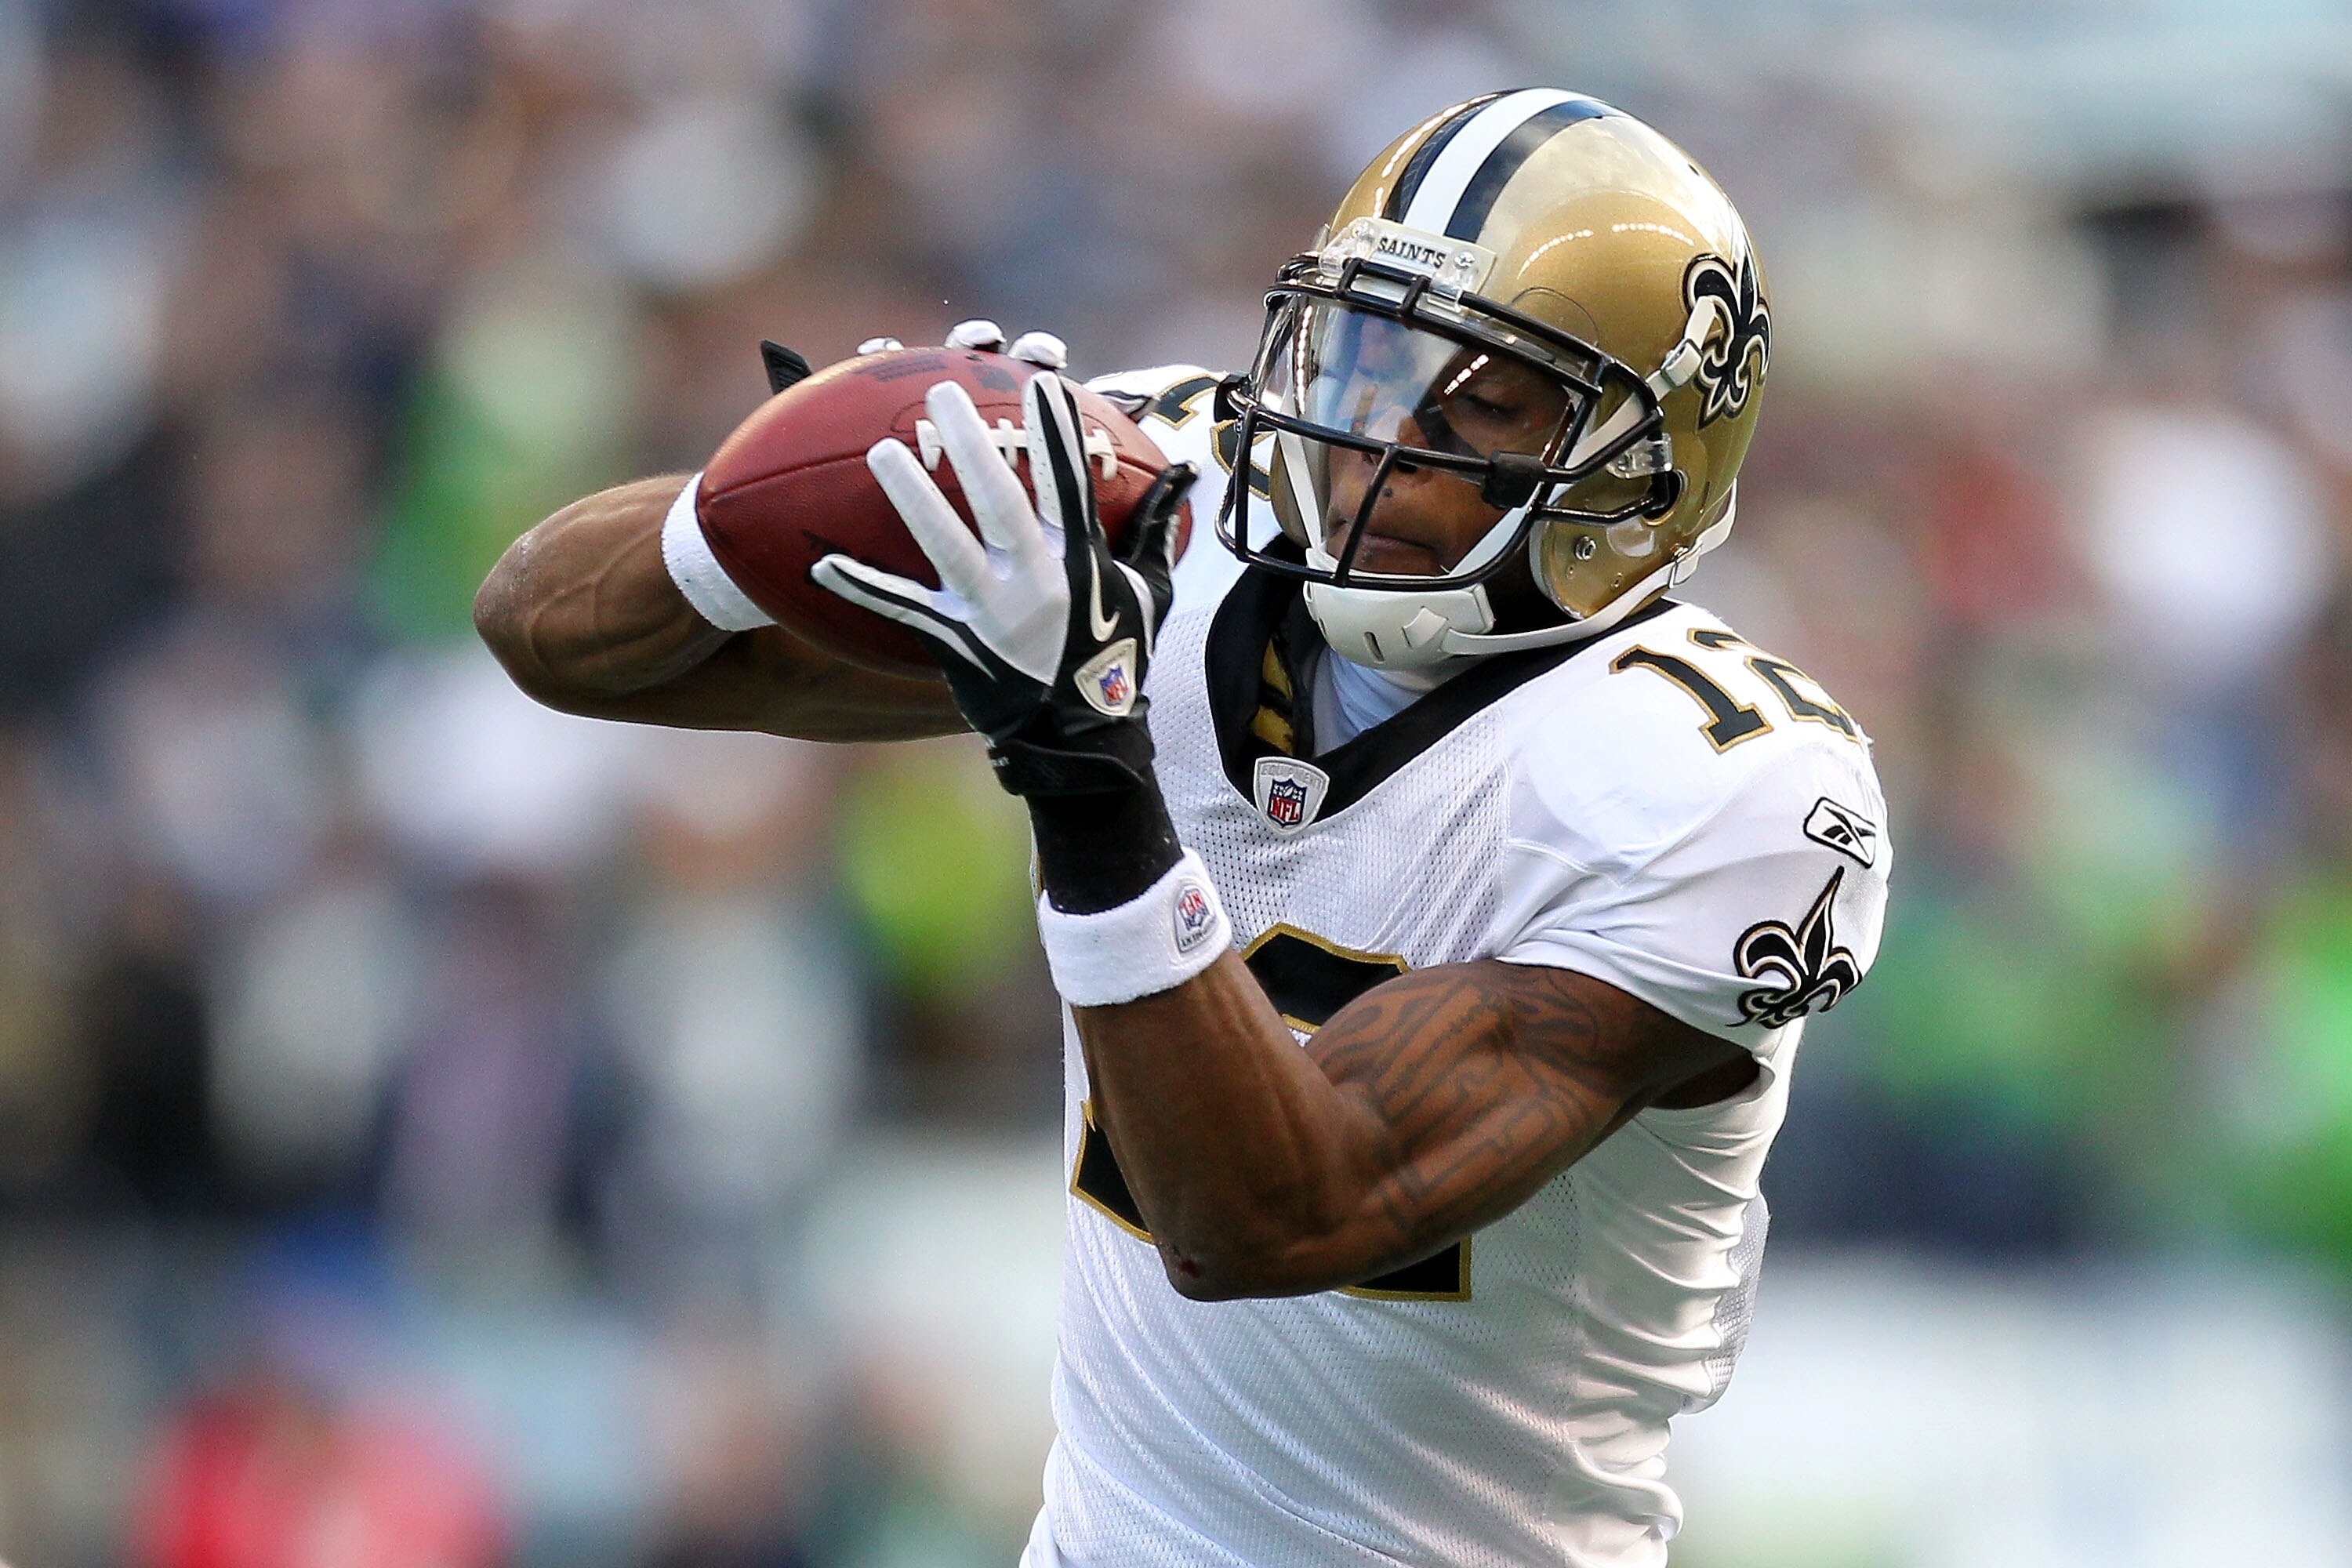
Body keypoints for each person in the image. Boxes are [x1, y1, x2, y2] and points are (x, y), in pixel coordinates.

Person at [477, 89, 1889, 1568]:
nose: (1382, 444)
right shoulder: (1178, 507)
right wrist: (802, 480)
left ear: (1644, 467)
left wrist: (1082, 765)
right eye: (1369, 359)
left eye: (1482, 405)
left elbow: (1272, 1217)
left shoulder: (1719, 785)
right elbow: (550, 633)